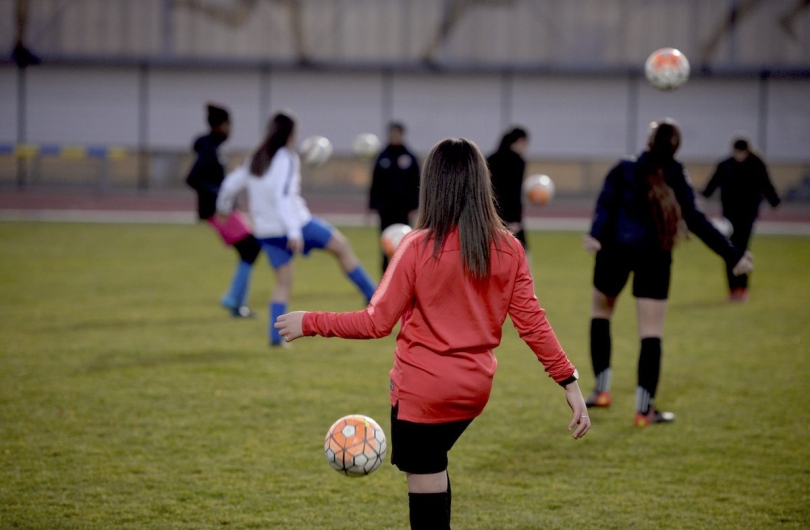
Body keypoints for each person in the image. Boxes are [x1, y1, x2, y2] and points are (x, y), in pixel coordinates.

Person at [275, 138, 590, 529]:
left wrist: (310, 321)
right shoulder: (509, 247)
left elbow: (376, 322)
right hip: (473, 391)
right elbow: (533, 322)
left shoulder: (417, 247)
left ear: (434, 186)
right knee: (434, 468)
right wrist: (569, 382)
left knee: (424, 491)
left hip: (423, 393)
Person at [583, 119, 754, 427]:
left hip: (615, 251)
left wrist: (595, 234)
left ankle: (601, 391)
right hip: (655, 256)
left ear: (649, 141)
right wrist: (732, 254)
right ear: (676, 146)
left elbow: (605, 204)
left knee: (601, 313)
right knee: (651, 332)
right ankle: (643, 411)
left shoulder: (624, 168)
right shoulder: (676, 174)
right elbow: (697, 221)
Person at [217, 111, 377, 347]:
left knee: (283, 282)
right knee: (342, 247)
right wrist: (293, 232)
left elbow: (231, 184)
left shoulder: (255, 158)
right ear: (290, 133)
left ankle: (276, 338)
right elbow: (282, 197)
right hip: (296, 225)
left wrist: (222, 206)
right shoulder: (286, 158)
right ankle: (374, 297)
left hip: (266, 232)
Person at [186, 103, 261, 318]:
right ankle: (233, 299)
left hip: (224, 207)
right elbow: (192, 178)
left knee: (249, 250)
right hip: (217, 210)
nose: (231, 129)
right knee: (251, 247)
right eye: (228, 124)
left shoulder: (215, 148)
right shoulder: (209, 149)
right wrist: (218, 197)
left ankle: (238, 306)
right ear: (220, 125)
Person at [702, 137, 780, 301]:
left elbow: (766, 184)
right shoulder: (726, 165)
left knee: (742, 249)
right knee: (730, 250)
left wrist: (774, 202)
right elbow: (713, 182)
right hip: (729, 215)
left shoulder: (757, 164)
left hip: (748, 215)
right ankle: (732, 289)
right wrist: (703, 196)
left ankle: (742, 288)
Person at [369, 122, 421, 273]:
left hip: (403, 209)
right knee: (386, 243)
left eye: (396, 133)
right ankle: (385, 277)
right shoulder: (382, 157)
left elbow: (416, 183)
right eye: (392, 133)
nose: (394, 136)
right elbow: (375, 181)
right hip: (386, 209)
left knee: (403, 243)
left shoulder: (409, 157)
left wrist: (415, 206)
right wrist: (373, 204)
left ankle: (404, 274)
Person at [487, 126, 530, 249]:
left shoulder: (490, 159)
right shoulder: (518, 162)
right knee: (521, 250)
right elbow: (515, 193)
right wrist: (516, 219)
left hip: (492, 213)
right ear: (519, 141)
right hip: (509, 216)